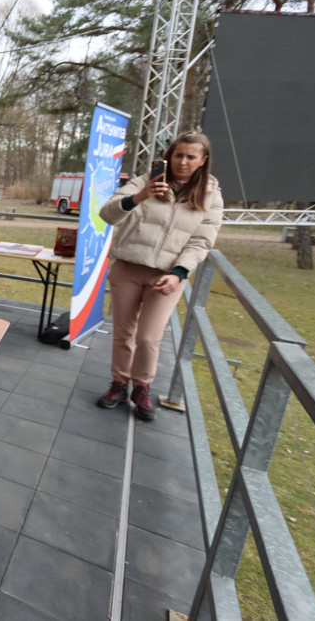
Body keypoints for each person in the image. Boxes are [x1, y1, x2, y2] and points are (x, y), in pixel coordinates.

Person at [96, 132, 223, 421]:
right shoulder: (144, 182)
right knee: (123, 333)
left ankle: (142, 387)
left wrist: (179, 273)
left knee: (149, 337)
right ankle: (119, 384)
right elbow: (107, 215)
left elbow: (201, 240)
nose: (183, 161)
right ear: (169, 156)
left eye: (191, 156)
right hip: (128, 268)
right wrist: (139, 197)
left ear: (203, 161)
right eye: (178, 155)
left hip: (167, 277)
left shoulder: (211, 196)